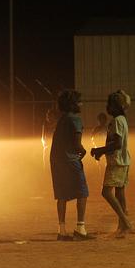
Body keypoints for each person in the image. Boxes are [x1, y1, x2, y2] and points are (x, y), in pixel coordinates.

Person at [49, 90, 92, 241]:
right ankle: (81, 228)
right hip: (70, 160)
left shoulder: (62, 119)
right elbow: (77, 144)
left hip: (56, 159)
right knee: (82, 192)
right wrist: (85, 152)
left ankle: (62, 230)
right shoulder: (75, 120)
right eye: (79, 101)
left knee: (61, 195)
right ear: (73, 104)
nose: (81, 104)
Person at [90, 90, 133, 238]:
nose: (107, 107)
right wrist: (102, 152)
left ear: (117, 106)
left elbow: (117, 144)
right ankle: (122, 227)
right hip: (123, 161)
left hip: (116, 162)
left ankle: (125, 221)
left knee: (106, 192)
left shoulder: (116, 121)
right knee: (120, 193)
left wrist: (99, 150)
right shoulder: (122, 120)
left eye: (110, 104)